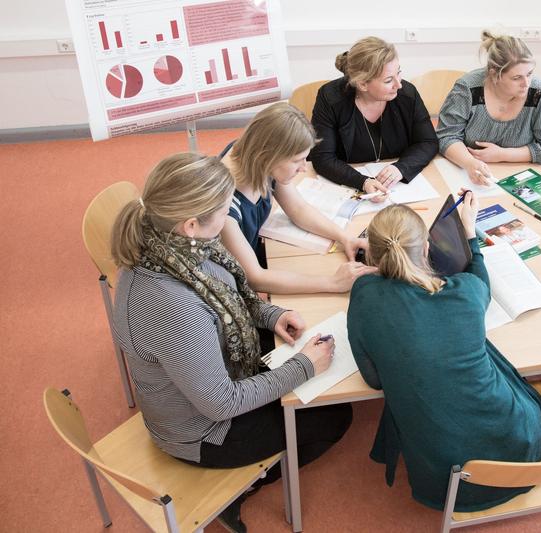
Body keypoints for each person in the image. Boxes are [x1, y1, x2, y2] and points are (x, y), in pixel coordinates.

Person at [111, 153, 352, 532]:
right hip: (202, 432)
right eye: (224, 212)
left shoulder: (169, 246)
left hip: (209, 373)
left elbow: (227, 297)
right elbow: (221, 403)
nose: (228, 220)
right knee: (335, 416)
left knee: (301, 373)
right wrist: (304, 366)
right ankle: (240, 491)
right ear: (191, 224)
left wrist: (272, 316)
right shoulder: (174, 307)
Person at [347, 195, 541, 512]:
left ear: (371, 254)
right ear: (427, 249)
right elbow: (479, 277)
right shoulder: (466, 291)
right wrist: (469, 232)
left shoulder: (365, 294)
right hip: (519, 445)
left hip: (446, 473)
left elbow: (374, 381)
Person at [219, 102, 376, 296]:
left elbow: (299, 209)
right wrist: (331, 283)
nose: (303, 168)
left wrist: (345, 238)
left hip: (253, 257)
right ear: (267, 155)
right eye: (296, 161)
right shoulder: (224, 206)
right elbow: (254, 277)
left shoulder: (258, 160)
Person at [308, 36, 438, 198]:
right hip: (347, 188)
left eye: (399, 73)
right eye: (389, 80)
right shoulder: (330, 98)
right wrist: (363, 182)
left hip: (400, 190)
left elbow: (428, 142)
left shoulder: (407, 95)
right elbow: (322, 157)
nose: (399, 84)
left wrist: (401, 168)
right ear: (363, 84)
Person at [437, 30, 541, 185]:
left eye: (529, 74)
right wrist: (470, 164)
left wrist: (502, 154)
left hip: (522, 172)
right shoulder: (467, 89)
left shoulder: (540, 95)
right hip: (467, 172)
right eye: (516, 78)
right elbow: (447, 136)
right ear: (494, 74)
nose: (526, 84)